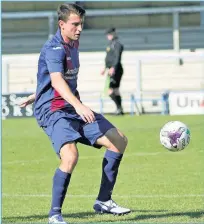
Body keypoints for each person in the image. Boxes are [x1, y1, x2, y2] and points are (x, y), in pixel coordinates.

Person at [20, 3, 130, 224]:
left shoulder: (74, 43)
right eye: (75, 24)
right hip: (53, 111)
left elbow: (55, 78)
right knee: (70, 155)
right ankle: (54, 215)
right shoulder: (54, 48)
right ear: (61, 25)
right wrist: (78, 106)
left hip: (71, 106)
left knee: (119, 140)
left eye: (81, 24)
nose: (79, 29)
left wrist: (38, 92)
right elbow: (57, 79)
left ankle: (103, 201)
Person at [101, 27, 124, 115]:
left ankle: (119, 109)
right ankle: (120, 109)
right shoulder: (110, 44)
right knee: (115, 90)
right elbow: (108, 58)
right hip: (111, 69)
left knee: (110, 90)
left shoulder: (117, 45)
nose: (108, 36)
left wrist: (113, 67)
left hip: (116, 70)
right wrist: (105, 67)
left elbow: (117, 58)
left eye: (109, 34)